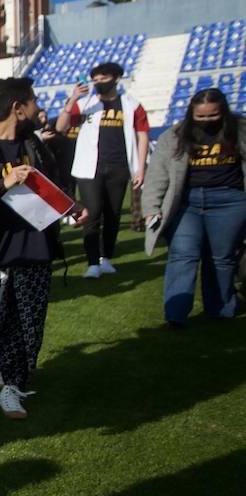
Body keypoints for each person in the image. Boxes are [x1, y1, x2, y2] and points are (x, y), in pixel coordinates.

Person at [0, 77, 87, 420]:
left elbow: (54, 183)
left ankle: (13, 386)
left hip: (34, 250)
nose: (38, 106)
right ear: (17, 107)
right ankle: (3, 359)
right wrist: (1, 184)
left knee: (28, 325)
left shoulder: (33, 143)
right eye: (33, 100)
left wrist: (72, 207)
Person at [141, 88, 246, 326]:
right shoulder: (174, 136)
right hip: (187, 203)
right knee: (182, 254)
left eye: (213, 115)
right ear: (191, 113)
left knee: (221, 258)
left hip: (230, 201)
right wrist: (152, 208)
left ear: (223, 111)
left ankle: (220, 309)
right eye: (201, 116)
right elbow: (157, 174)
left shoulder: (240, 130)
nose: (207, 121)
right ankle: (175, 314)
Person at [54, 62, 149, 278]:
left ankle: (105, 257)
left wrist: (140, 168)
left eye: (104, 78)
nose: (99, 82)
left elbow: (142, 135)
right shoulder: (85, 103)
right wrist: (73, 99)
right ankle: (92, 262)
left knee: (113, 214)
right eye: (95, 79)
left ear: (116, 78)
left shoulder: (132, 105)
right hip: (89, 168)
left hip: (119, 166)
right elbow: (61, 127)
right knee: (92, 212)